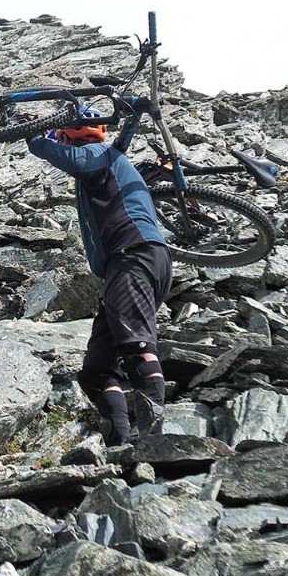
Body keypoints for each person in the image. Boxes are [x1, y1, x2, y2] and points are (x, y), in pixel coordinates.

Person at [27, 109, 172, 446]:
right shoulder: (111, 162)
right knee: (97, 371)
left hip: (133, 257)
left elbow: (62, 155)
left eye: (61, 134)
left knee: (136, 347)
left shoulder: (96, 155)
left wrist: (34, 134)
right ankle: (119, 444)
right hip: (134, 265)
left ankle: (153, 444)